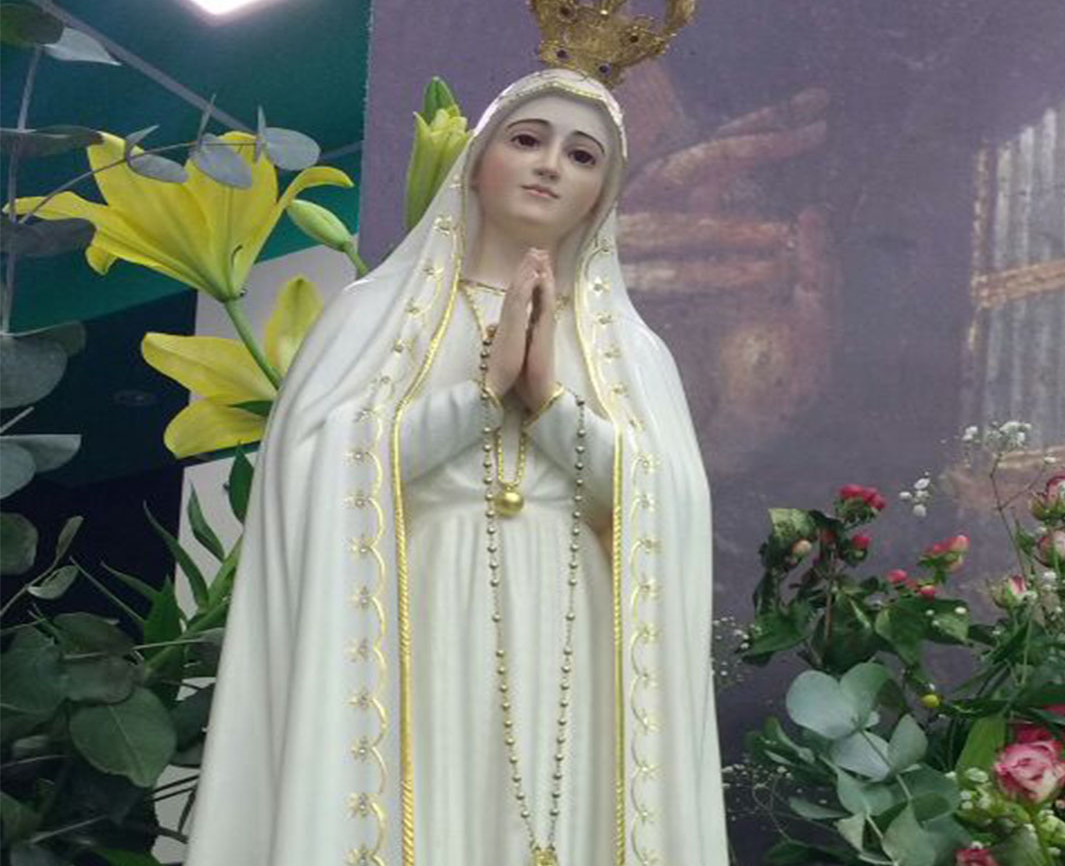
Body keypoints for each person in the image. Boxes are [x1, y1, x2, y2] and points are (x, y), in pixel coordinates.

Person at [184, 67, 730, 865]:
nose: (550, 165)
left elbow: (663, 503)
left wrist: (549, 405)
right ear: (475, 164)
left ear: (601, 197)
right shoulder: (376, 315)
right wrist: (478, 397)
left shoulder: (633, 353)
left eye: (582, 156)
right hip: (424, 593)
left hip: (570, 610)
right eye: (528, 139)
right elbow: (316, 470)